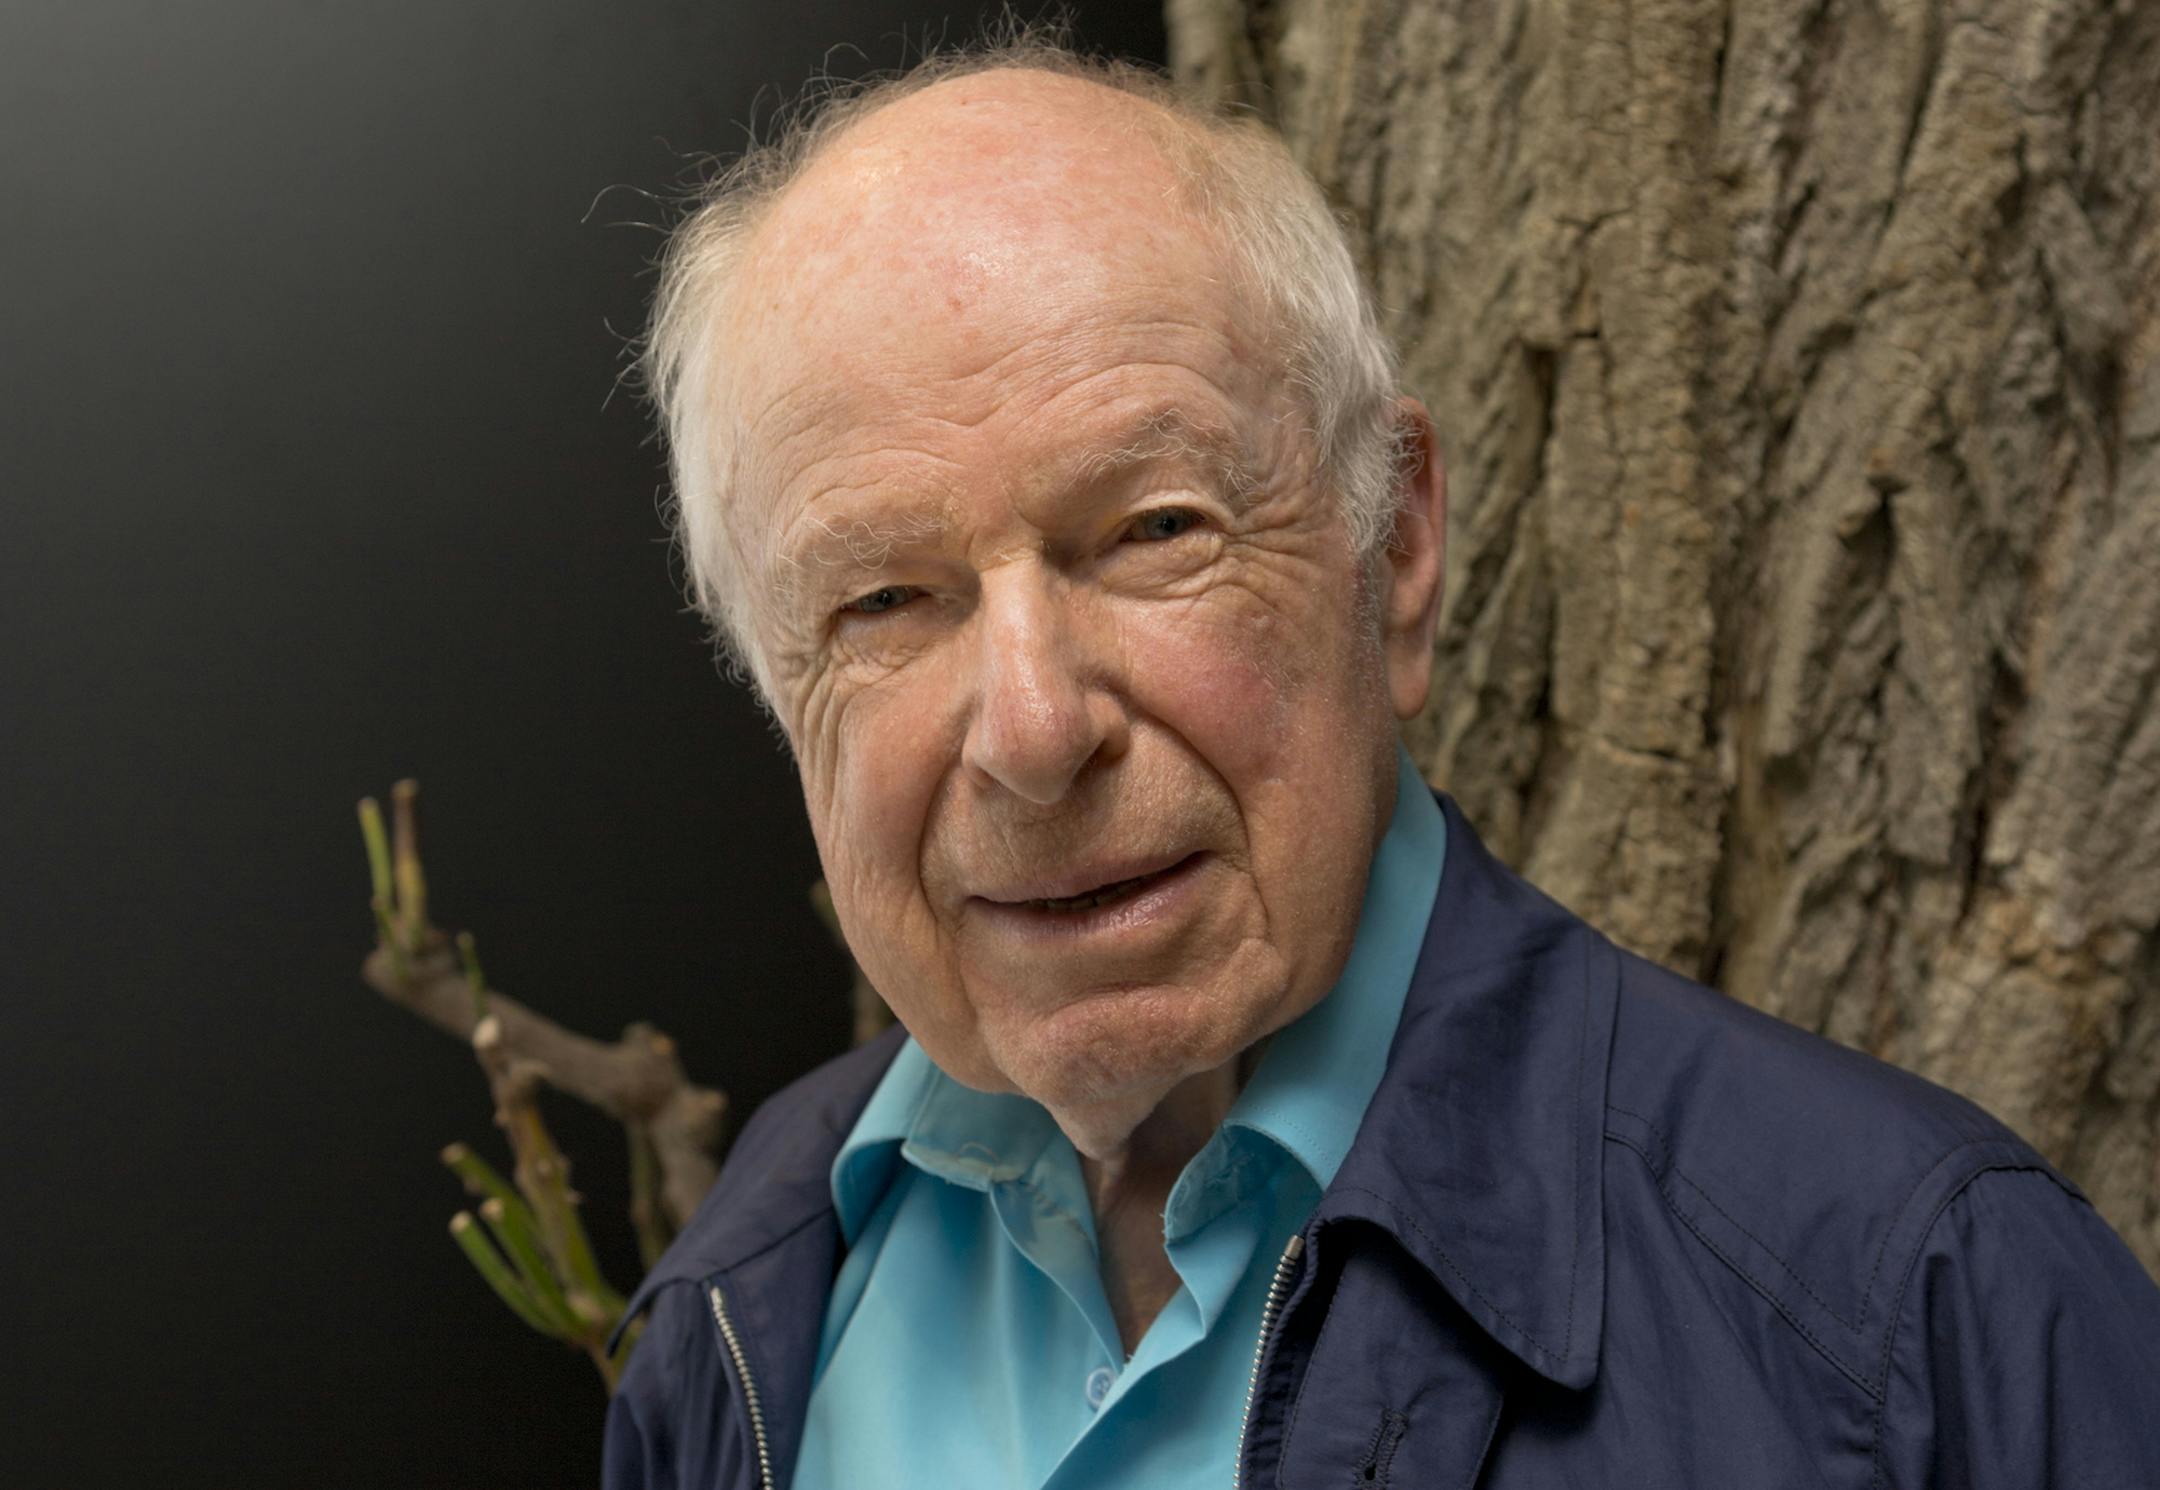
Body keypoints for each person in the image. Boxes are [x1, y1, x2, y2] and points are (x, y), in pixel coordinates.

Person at [601, 35, 2160, 1490]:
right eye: (883, 599)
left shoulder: (1920, 1325)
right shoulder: (744, 1306)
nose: (1030, 728)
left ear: (1394, 544)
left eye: (1155, 531)